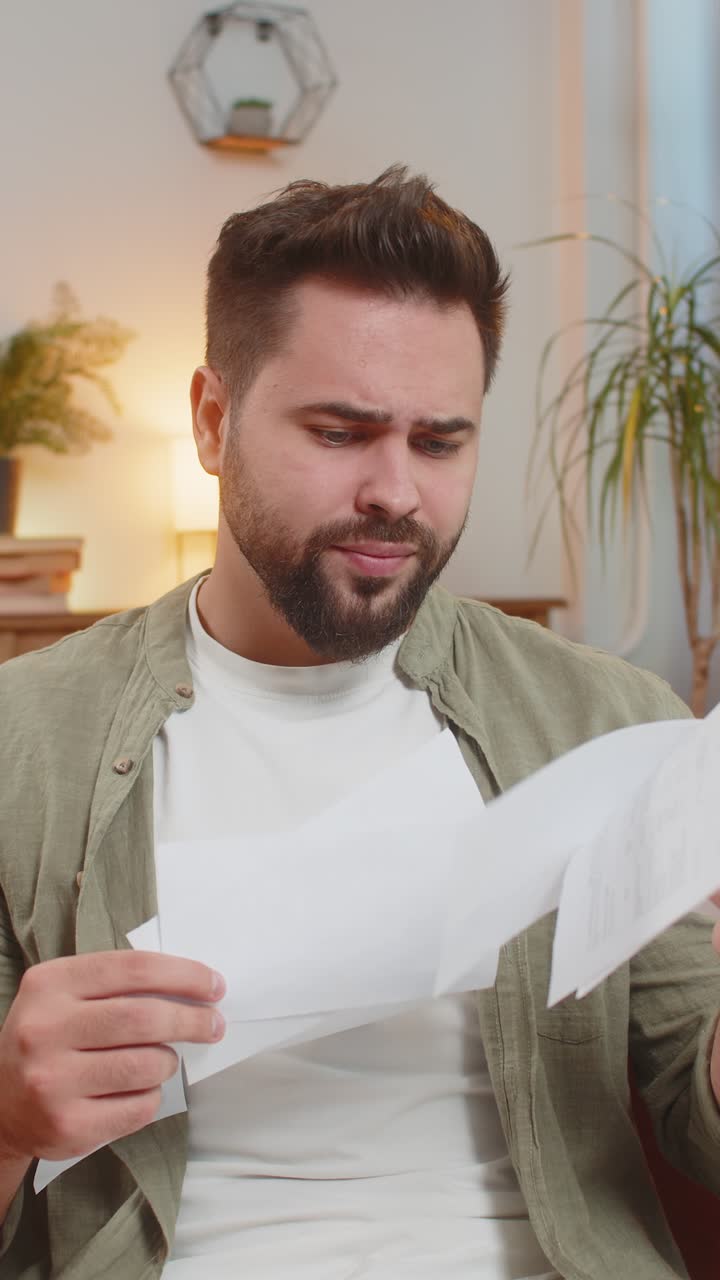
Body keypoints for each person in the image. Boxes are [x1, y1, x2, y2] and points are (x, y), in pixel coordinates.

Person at [0, 166, 718, 1280]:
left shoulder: (602, 719)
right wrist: (7, 1121)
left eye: (440, 442)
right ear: (211, 418)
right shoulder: (23, 743)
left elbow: (700, 1119)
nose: (397, 490)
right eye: (341, 431)